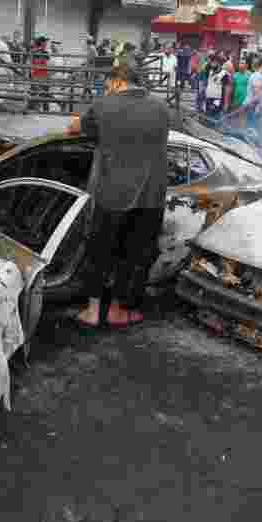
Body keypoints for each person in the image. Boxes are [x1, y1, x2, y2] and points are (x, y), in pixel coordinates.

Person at [70, 66, 169, 328]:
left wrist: (78, 123)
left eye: (107, 85)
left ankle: (92, 311)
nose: (106, 90)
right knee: (135, 253)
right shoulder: (161, 107)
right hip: (150, 195)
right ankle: (118, 311)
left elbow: (77, 128)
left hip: (110, 194)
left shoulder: (103, 105)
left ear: (115, 82)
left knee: (100, 250)